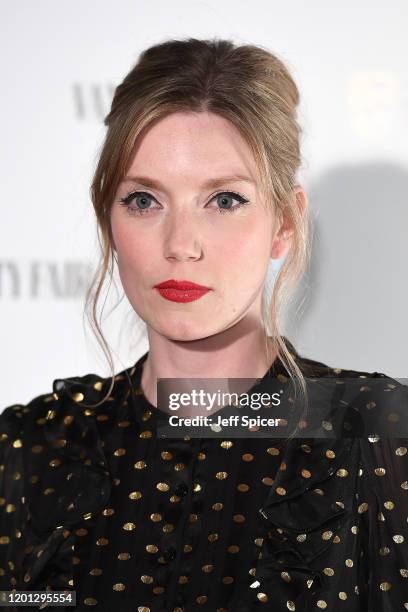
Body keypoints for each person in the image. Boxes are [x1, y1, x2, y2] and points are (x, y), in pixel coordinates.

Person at [0, 37, 407, 612]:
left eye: (224, 200)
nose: (180, 246)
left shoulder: (377, 433)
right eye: (143, 200)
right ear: (108, 219)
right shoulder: (34, 446)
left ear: (285, 223)